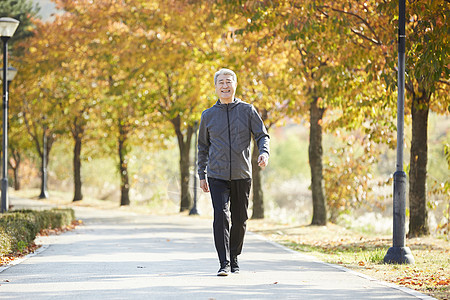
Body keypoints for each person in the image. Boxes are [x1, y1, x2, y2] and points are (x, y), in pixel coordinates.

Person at [197, 68, 270, 276]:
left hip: (242, 173)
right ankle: (224, 262)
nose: (225, 86)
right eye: (221, 82)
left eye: (228, 82)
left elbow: (262, 136)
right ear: (215, 87)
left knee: (240, 219)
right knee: (221, 216)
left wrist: (264, 153)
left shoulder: (247, 110)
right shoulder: (208, 115)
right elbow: (202, 147)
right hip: (216, 174)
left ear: (235, 85)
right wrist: (201, 174)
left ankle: (235, 256)